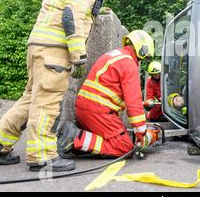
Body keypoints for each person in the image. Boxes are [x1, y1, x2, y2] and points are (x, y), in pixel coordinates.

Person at [0, 0, 115, 171]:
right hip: (55, 50)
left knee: (30, 99)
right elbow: (71, 16)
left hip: (37, 46)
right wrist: (79, 55)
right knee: (47, 103)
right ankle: (42, 157)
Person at [57, 30, 161, 159]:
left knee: (106, 140)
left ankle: (79, 140)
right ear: (142, 49)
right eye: (142, 58)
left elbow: (113, 91)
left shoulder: (114, 55)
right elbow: (133, 103)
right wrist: (143, 134)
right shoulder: (129, 64)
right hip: (99, 112)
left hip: (84, 110)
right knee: (125, 147)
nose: (140, 62)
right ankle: (75, 138)